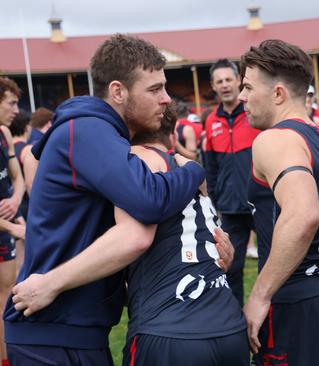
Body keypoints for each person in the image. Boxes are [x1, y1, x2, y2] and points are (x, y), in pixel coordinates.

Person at [4, 34, 205, 366]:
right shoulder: (88, 128)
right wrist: (194, 171)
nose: (167, 99)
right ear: (117, 91)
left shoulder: (96, 130)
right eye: (155, 89)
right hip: (51, 332)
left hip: (70, 329)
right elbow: (149, 200)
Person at [239, 39, 319, 365]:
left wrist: (259, 295)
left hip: (295, 302)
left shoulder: (274, 139)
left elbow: (303, 215)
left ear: (279, 94)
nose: (241, 97)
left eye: (247, 86)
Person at [122, 105, 247, 365]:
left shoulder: (135, 163)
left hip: (170, 327)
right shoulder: (190, 170)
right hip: (229, 326)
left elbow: (129, 242)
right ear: (173, 137)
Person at [204, 58, 260, 307]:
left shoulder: (254, 112)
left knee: (272, 262)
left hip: (260, 202)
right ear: (213, 86)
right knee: (230, 268)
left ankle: (273, 319)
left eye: (229, 79)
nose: (225, 85)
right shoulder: (211, 121)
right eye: (220, 81)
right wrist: (213, 203)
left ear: (238, 80)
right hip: (230, 210)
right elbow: (211, 168)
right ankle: (236, 325)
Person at [0, 77, 27, 365]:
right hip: (5, 228)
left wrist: (16, 199)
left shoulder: (4, 134)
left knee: (6, 292)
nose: (16, 109)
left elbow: (16, 178)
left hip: (5, 228)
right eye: (11, 103)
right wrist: (14, 227)